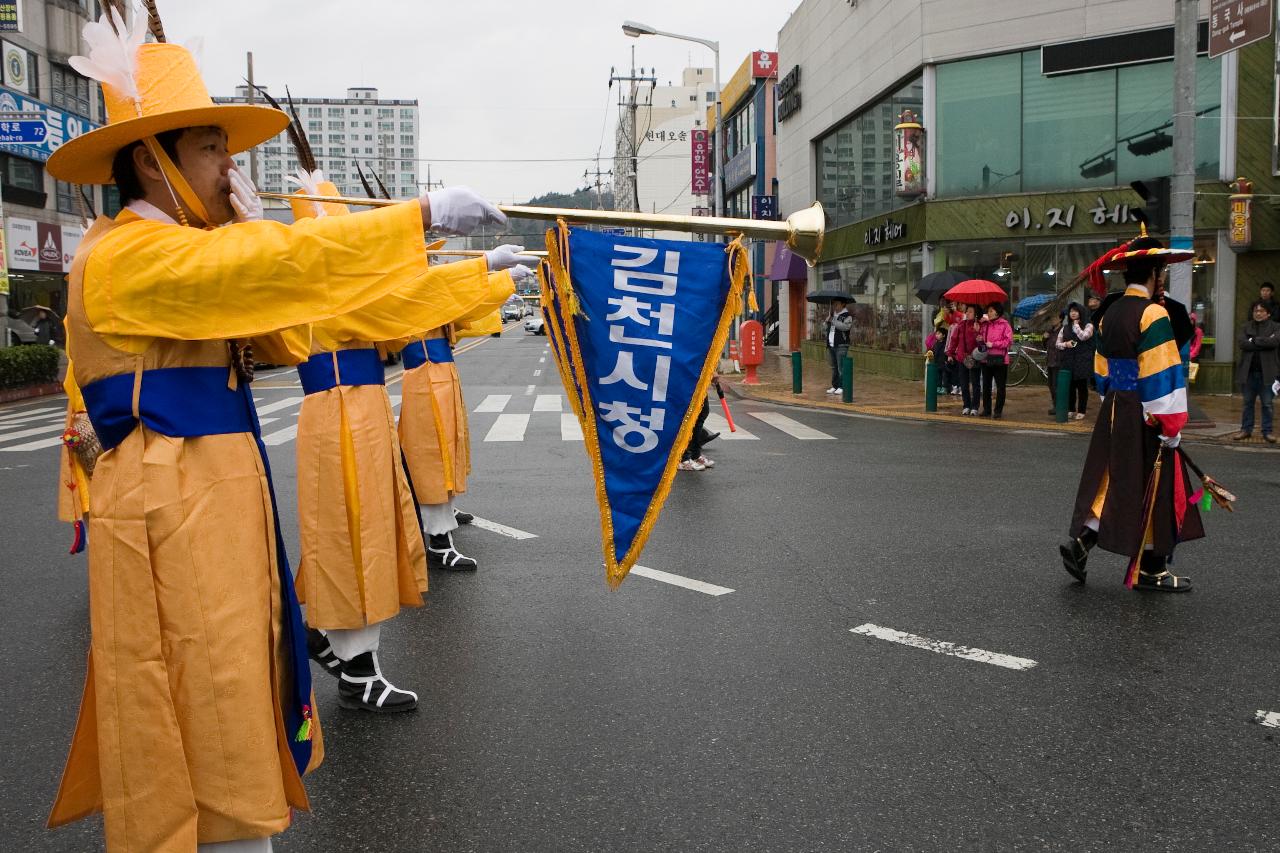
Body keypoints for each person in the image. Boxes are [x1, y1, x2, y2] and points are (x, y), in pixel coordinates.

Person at [43, 13, 520, 851]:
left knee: (236, 687)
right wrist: (414, 218)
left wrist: (465, 272)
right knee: (200, 698)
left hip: (215, 497)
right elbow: (285, 277)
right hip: (171, 506)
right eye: (210, 150)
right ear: (152, 164)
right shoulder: (122, 256)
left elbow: (291, 328)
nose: (231, 166)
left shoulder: (192, 252)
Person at [283, 168, 529, 713]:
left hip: (359, 405)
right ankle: (354, 670)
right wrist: (485, 268)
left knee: (367, 529)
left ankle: (336, 648)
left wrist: (486, 274)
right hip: (340, 407)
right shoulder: (320, 285)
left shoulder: (338, 283)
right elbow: (396, 309)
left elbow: (410, 311)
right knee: (352, 535)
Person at [1059, 233, 1204, 592]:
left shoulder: (1111, 312)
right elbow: (1163, 374)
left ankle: (1084, 541)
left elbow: (1102, 370)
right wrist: (1170, 424)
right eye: (1161, 272)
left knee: (1113, 479)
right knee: (1153, 483)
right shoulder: (1153, 313)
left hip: (1115, 409)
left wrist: (1117, 398)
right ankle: (1151, 569)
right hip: (1146, 410)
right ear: (1156, 273)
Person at [1231, 300, 1280, 443]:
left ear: (1268, 313)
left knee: (1267, 404)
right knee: (1247, 403)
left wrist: (1253, 341)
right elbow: (1242, 343)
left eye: (1261, 311)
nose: (1258, 313)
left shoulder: (1275, 327)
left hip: (1268, 372)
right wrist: (1263, 342)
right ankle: (1246, 429)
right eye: (1255, 311)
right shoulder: (1246, 326)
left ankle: (1267, 431)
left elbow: (1275, 342)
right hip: (1248, 373)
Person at [1055, 302, 1095, 420]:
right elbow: (1057, 344)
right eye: (1071, 311)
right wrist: (1065, 344)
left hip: (1082, 361)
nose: (1073, 313)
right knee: (1070, 387)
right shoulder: (1065, 328)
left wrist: (1077, 326)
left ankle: (1081, 411)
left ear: (1081, 313)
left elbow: (1083, 337)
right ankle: (1071, 409)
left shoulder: (1089, 325)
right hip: (1068, 361)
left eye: (1075, 311)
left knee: (1082, 387)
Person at [977, 302, 1012, 418]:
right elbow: (981, 340)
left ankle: (998, 411)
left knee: (1000, 387)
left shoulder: (1005, 325)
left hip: (1000, 360)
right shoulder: (985, 325)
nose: (989, 313)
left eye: (991, 311)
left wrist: (994, 344)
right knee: (986, 386)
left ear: (998, 312)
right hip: (986, 359)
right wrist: (979, 338)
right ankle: (986, 410)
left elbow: (1008, 341)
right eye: (988, 311)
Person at [946, 304, 981, 416]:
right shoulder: (961, 325)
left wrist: (977, 331)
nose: (968, 313)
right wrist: (950, 353)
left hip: (975, 358)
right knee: (964, 383)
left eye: (971, 311)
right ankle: (966, 405)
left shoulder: (980, 325)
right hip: (962, 358)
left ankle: (975, 407)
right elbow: (954, 339)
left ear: (976, 314)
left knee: (975, 383)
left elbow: (981, 342)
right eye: (967, 311)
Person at [824, 297, 853, 394]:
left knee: (841, 367)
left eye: (837, 304)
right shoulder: (833, 315)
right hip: (831, 344)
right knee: (834, 367)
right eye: (834, 304)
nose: (835, 306)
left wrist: (833, 320)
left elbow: (845, 327)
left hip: (841, 345)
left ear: (843, 304)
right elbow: (827, 329)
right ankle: (834, 385)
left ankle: (842, 386)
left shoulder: (847, 315)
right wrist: (826, 322)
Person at [1045, 309, 1066, 416]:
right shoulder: (1050, 331)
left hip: (1059, 361)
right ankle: (1055, 406)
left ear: (1061, 318)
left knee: (1057, 386)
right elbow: (1047, 346)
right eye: (1051, 318)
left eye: (1055, 317)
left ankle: (1060, 407)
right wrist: (1044, 339)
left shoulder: (1063, 330)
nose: (1052, 320)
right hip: (1050, 361)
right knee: (1051, 385)